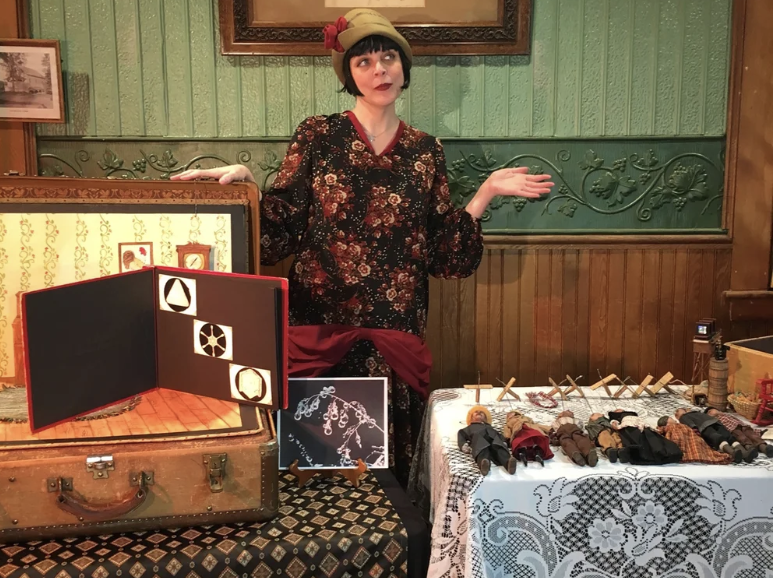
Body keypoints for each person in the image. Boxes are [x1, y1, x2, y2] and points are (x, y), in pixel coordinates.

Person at [172, 9, 554, 486]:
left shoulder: (425, 150)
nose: (379, 71)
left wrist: (485, 193)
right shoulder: (318, 135)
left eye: (388, 58)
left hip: (395, 334)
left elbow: (445, 256)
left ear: (404, 68)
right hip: (319, 332)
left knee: (387, 480)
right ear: (349, 75)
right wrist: (247, 186)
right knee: (313, 475)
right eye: (364, 62)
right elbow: (279, 231)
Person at [458, 406, 516, 476]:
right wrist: (463, 445)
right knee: (481, 450)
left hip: (493, 439)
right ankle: (484, 465)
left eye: (481, 413)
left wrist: (503, 441)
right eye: (476, 412)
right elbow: (461, 435)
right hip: (479, 440)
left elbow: (499, 435)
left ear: (485, 418)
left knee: (499, 447)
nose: (479, 412)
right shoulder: (469, 428)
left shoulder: (490, 427)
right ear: (472, 418)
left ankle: (508, 463)